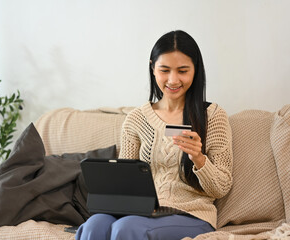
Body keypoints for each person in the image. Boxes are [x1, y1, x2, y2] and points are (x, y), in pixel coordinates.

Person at [75, 30, 233, 240]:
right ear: (153, 68)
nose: (173, 79)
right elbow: (124, 186)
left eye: (183, 70)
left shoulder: (212, 116)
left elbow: (222, 187)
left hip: (191, 216)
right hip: (141, 211)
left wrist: (199, 159)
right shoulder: (136, 119)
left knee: (126, 229)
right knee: (94, 225)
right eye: (165, 70)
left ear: (196, 70)